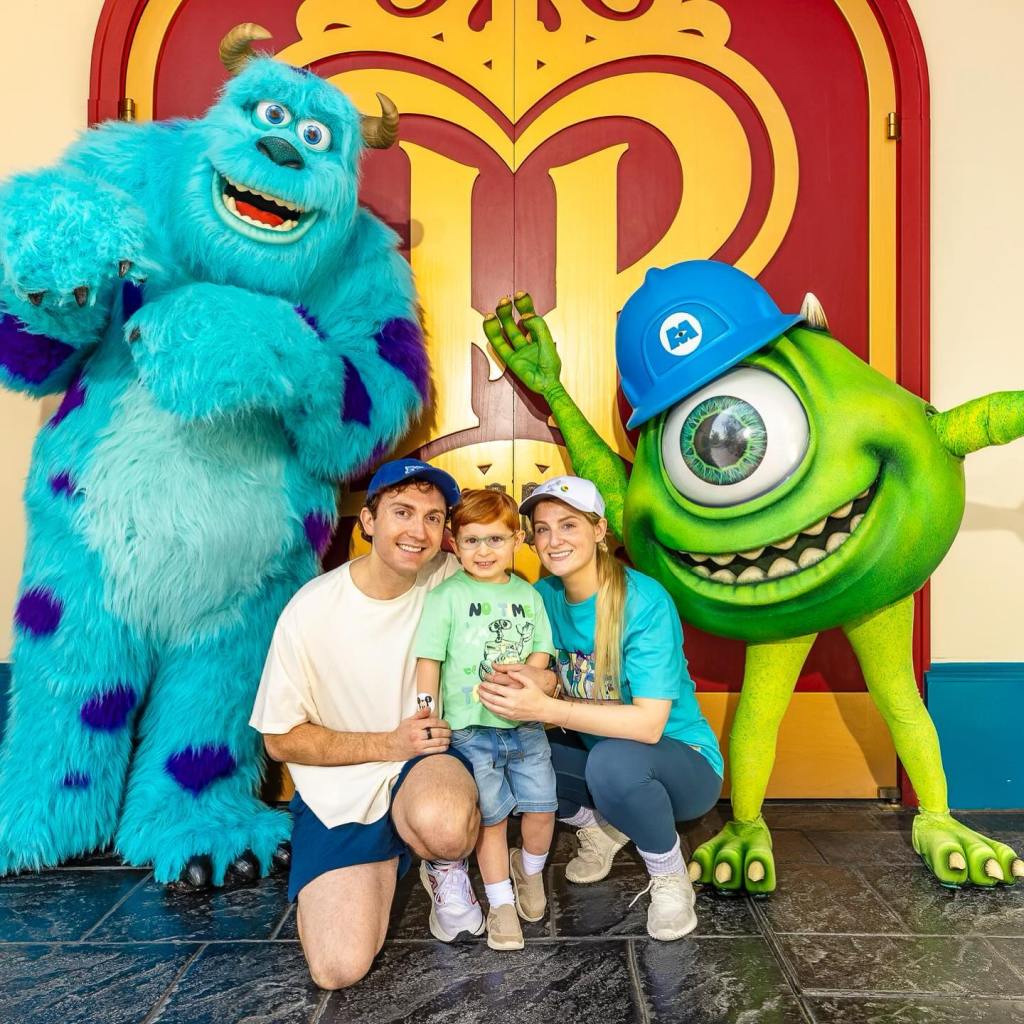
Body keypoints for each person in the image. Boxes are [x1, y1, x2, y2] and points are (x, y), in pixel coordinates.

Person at [250, 458, 484, 991]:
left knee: (445, 827)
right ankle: (401, 848)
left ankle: (436, 857)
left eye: (432, 518)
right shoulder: (311, 610)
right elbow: (280, 738)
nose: (417, 531)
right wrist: (387, 741)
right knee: (337, 968)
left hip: (425, 764)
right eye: (402, 512)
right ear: (369, 521)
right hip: (342, 788)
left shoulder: (452, 580)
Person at [478, 475, 724, 941]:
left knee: (614, 763)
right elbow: (558, 671)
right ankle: (601, 829)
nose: (553, 540)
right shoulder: (545, 596)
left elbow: (649, 725)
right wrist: (539, 679)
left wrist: (548, 708)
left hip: (683, 766)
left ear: (599, 530)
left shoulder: (643, 601)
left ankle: (670, 875)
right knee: (505, 747)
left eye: (568, 525)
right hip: (602, 756)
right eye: (543, 528)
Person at [414, 488, 558, 951]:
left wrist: (531, 675)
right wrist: (425, 709)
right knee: (492, 820)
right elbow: (430, 660)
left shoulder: (528, 595)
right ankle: (499, 903)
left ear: (517, 540)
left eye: (495, 540)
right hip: (471, 731)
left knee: (541, 808)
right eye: (472, 540)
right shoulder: (447, 597)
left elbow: (543, 648)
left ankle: (529, 873)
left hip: (526, 725)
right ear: (454, 543)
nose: (483, 551)